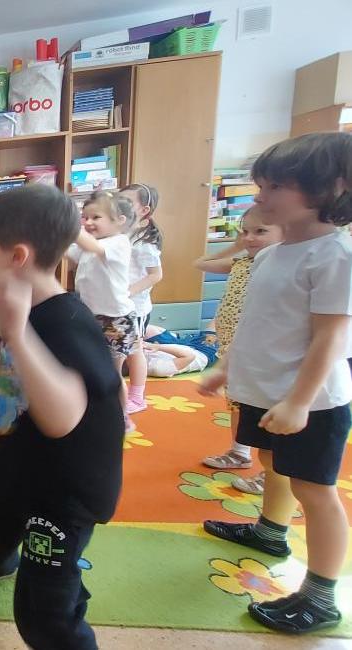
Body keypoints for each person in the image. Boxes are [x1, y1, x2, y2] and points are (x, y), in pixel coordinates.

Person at [0, 183, 124, 650]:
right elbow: (14, 384)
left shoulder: (64, 322)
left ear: (17, 256)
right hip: (26, 456)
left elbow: (63, 418)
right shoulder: (22, 307)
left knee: (43, 614)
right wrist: (1, 411)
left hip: (66, 490)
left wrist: (18, 336)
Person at [201, 132, 352, 634]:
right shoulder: (272, 253)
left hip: (311, 401)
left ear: (331, 188)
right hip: (265, 391)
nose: (260, 196)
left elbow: (330, 337)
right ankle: (271, 531)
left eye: (274, 187)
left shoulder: (334, 255)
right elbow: (255, 323)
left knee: (315, 490)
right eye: (260, 185)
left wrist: (299, 403)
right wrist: (227, 367)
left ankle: (321, 595)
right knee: (271, 463)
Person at [194, 206, 283, 495]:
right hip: (234, 348)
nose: (250, 238)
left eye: (260, 231)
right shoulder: (242, 262)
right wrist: (238, 245)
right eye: (245, 231)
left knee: (268, 411)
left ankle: (273, 474)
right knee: (237, 403)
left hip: (262, 353)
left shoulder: (281, 266)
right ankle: (239, 452)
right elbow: (200, 262)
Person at [67, 191, 139, 430]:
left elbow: (90, 245)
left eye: (95, 217)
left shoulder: (118, 243)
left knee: (112, 372)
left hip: (116, 319)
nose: (88, 222)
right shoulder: (91, 244)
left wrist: (66, 222)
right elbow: (69, 251)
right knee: (92, 367)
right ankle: (96, 411)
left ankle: (122, 416)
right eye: (85, 217)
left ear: (119, 221)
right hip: (92, 317)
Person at [119, 183, 163, 413]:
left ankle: (137, 397)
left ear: (144, 210)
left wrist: (128, 291)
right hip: (119, 305)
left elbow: (155, 275)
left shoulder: (144, 243)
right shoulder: (122, 234)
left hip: (134, 307)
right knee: (120, 351)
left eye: (127, 202)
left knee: (134, 351)